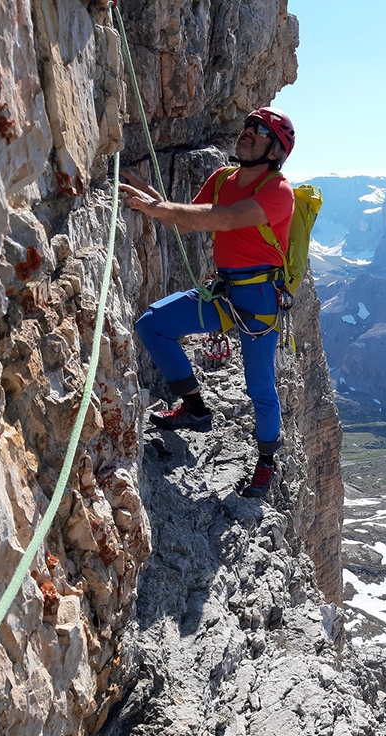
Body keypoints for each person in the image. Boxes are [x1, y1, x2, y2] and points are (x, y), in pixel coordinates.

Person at [119, 107, 296, 498]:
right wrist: (143, 190)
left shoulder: (278, 191)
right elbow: (187, 217)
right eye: (248, 124)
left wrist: (156, 206)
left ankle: (266, 461)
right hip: (226, 290)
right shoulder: (222, 179)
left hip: (259, 298)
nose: (247, 131)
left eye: (260, 129)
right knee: (152, 324)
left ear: (275, 150)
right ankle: (196, 410)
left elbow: (227, 220)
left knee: (260, 386)